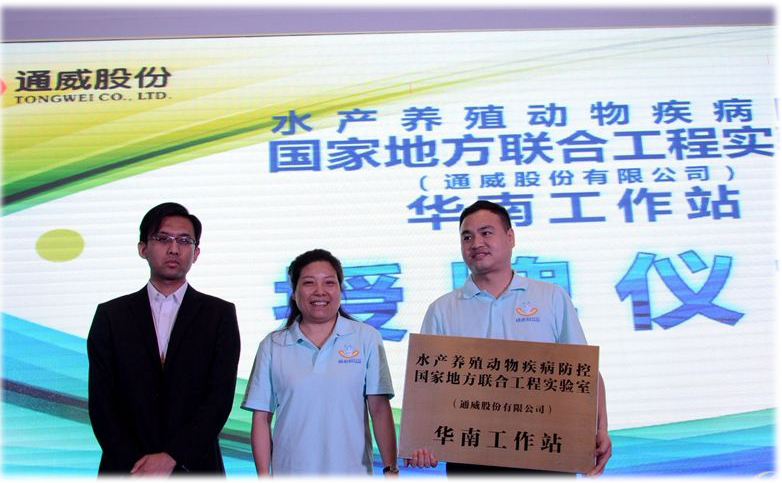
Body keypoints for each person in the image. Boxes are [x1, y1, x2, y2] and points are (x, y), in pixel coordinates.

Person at [406, 200, 612, 477]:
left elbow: (584, 371)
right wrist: (420, 440)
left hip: (546, 451)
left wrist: (601, 428)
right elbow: (426, 390)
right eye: (467, 237)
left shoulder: (550, 297)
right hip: (472, 456)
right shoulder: (442, 310)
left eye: (486, 233)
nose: (476, 243)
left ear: (511, 237)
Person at [87, 202, 241, 476]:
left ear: (196, 253)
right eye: (162, 239)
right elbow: (102, 402)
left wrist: (173, 457)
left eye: (184, 241)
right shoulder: (111, 315)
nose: (174, 249)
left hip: (195, 466)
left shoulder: (219, 314)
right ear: (142, 248)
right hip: (126, 468)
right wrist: (136, 464)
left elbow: (219, 399)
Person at [242, 249, 398, 476]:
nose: (320, 291)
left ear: (340, 290)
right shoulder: (273, 345)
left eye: (329, 282)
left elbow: (379, 409)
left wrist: (390, 468)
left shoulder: (366, 338)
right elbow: (261, 418)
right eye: (309, 283)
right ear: (294, 292)